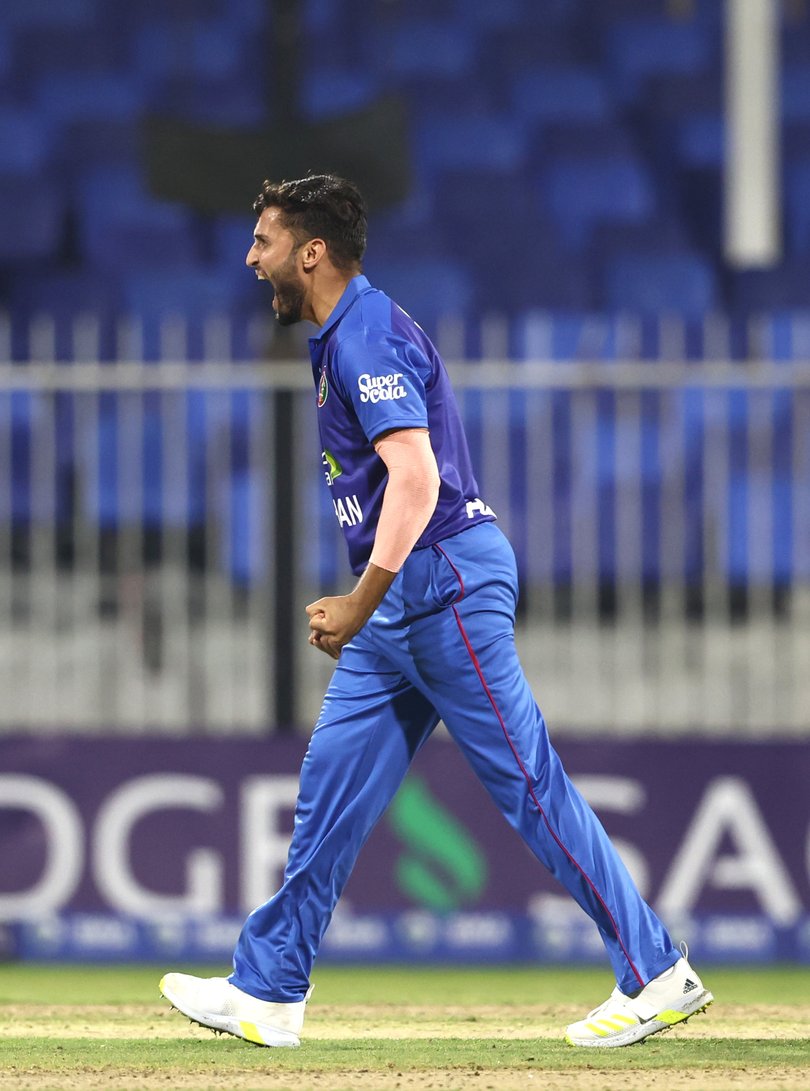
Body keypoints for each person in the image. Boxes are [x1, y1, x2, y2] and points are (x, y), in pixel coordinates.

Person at [159, 173, 712, 1049]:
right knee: (329, 793)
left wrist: (357, 601)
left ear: (310, 252)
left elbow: (414, 480)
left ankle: (657, 973)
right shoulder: (345, 332)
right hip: (402, 604)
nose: (250, 258)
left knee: (529, 783)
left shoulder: (365, 334)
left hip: (439, 584)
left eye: (263, 241)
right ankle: (267, 989)